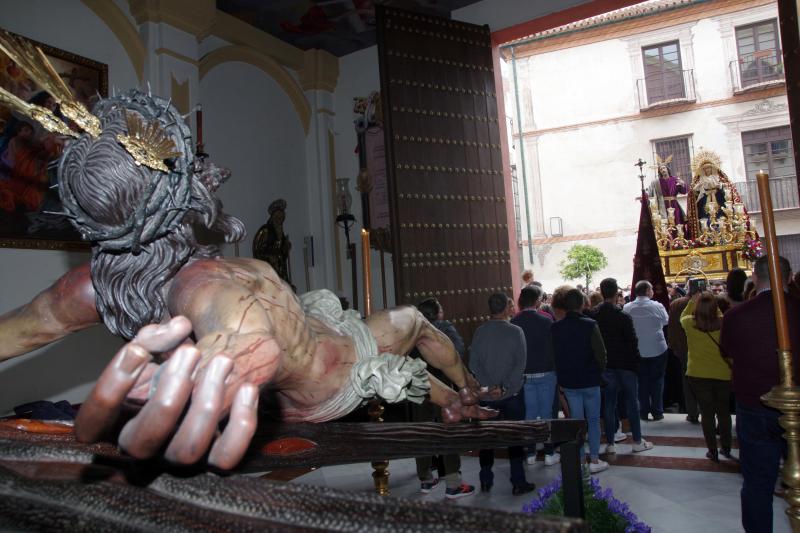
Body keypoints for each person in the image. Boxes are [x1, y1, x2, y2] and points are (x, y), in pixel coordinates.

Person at [0, 88, 497, 470]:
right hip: (334, 373)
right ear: (180, 197)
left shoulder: (92, 286)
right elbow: (244, 339)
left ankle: (457, 398)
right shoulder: (214, 289)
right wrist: (208, 383)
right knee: (411, 320)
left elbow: (20, 328)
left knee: (403, 350)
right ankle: (467, 388)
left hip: (315, 337)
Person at [722, 255, 800, 533]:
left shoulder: (736, 315)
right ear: (790, 278)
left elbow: (728, 353)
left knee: (757, 483)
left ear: (755, 278)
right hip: (784, 404)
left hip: (754, 403)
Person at [469, 292, 536, 495]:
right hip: (512, 394)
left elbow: (473, 364)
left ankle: (486, 480)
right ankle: (518, 481)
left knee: (486, 439)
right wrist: (504, 386)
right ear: (507, 308)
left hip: (488, 397)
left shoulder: (480, 332)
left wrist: (490, 386)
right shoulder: (516, 331)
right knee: (515, 438)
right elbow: (520, 364)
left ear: (490, 309)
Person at [411, 298, 474, 499]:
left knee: (422, 432)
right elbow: (458, 351)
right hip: (444, 389)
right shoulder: (444, 328)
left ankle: (426, 479)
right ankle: (453, 484)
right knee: (449, 432)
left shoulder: (412, 331)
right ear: (438, 313)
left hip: (419, 388)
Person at [589, 278, 654, 455]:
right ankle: (637, 441)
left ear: (602, 292)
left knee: (609, 405)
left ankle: (610, 443)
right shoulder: (623, 316)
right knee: (632, 403)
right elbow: (632, 343)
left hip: (607, 366)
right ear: (616, 294)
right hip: (625, 366)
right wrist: (635, 364)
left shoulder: (593, 315)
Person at [552, 287, 608, 474]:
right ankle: (594, 459)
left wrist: (560, 379)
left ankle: (579, 459)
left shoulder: (556, 327)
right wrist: (599, 371)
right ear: (582, 305)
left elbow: (555, 356)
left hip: (569, 382)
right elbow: (601, 354)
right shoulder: (590, 325)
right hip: (590, 379)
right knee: (593, 420)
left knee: (576, 421)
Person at [681, 289, 732, 463]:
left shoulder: (689, 323)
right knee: (723, 412)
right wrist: (713, 307)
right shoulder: (725, 322)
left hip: (698, 374)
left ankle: (712, 450)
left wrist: (692, 302)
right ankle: (726, 447)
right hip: (723, 373)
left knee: (707, 413)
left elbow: (683, 316)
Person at [510, 286, 559, 466]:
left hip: (525, 375)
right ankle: (548, 453)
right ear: (537, 302)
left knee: (529, 415)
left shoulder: (514, 322)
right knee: (547, 414)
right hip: (547, 372)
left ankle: (530, 453)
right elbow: (555, 348)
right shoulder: (547, 321)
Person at [624, 281, 670, 421]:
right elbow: (666, 321)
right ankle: (657, 411)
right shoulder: (657, 306)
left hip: (638, 350)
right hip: (658, 348)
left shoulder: (627, 307)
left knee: (641, 382)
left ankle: (643, 411)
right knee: (657, 381)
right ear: (648, 291)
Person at [668, 284, 699, 424]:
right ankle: (708, 411)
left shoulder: (676, 304)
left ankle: (692, 412)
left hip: (683, 348)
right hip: (701, 347)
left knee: (687, 381)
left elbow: (672, 328)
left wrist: (673, 345)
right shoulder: (706, 302)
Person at [252, 198, 292, 285]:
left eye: (281, 218)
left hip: (279, 267)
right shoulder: (265, 230)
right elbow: (259, 250)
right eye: (278, 217)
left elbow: (282, 252)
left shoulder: (281, 232)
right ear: (273, 217)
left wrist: (285, 246)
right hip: (269, 265)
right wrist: (271, 255)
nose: (279, 220)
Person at [649, 162, 687, 228]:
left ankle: (679, 236)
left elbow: (683, 192)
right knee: (665, 223)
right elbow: (650, 192)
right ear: (659, 172)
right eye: (661, 169)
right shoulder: (657, 182)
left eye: (664, 168)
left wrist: (682, 184)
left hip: (674, 204)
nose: (663, 170)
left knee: (677, 221)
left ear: (667, 169)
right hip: (663, 205)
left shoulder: (675, 179)